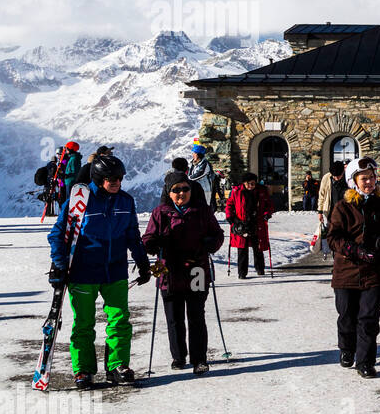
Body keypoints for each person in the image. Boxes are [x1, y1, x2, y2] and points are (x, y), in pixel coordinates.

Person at [47, 153, 151, 388]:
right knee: (84, 323)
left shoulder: (125, 201)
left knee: (119, 320)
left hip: (115, 271)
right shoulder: (79, 201)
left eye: (119, 178)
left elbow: (132, 235)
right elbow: (57, 234)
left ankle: (117, 366)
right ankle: (83, 370)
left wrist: (142, 262)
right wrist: (59, 264)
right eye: (110, 178)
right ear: (98, 176)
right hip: (83, 272)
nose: (115, 181)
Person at [328, 156, 380, 378]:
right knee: (347, 316)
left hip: (375, 270)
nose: (369, 182)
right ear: (354, 181)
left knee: (369, 318)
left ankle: (365, 361)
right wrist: (355, 250)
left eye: (371, 178)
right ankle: (347, 349)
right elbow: (333, 238)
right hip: (347, 271)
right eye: (364, 179)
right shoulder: (342, 207)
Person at [143, 177, 224, 374]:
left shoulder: (202, 211)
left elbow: (218, 235)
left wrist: (210, 243)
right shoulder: (160, 213)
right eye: (176, 189)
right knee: (173, 317)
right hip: (169, 271)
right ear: (169, 193)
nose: (181, 193)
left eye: (185, 188)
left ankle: (199, 359)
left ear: (191, 190)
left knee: (196, 316)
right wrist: (152, 244)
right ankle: (178, 357)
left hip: (196, 270)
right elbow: (147, 238)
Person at [226, 173, 273, 278]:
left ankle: (260, 269)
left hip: (257, 222)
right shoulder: (236, 191)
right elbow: (229, 204)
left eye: (253, 183)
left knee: (258, 247)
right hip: (241, 223)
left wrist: (267, 214)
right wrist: (230, 217)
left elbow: (269, 204)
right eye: (249, 184)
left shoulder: (261, 190)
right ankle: (242, 273)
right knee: (242, 248)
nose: (252, 186)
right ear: (244, 183)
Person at [316, 160, 346, 257]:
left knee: (345, 234)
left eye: (338, 176)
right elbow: (321, 194)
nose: (336, 178)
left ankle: (343, 254)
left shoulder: (348, 178)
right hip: (331, 211)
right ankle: (336, 255)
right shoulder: (326, 178)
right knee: (333, 234)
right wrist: (320, 211)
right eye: (334, 176)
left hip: (345, 211)